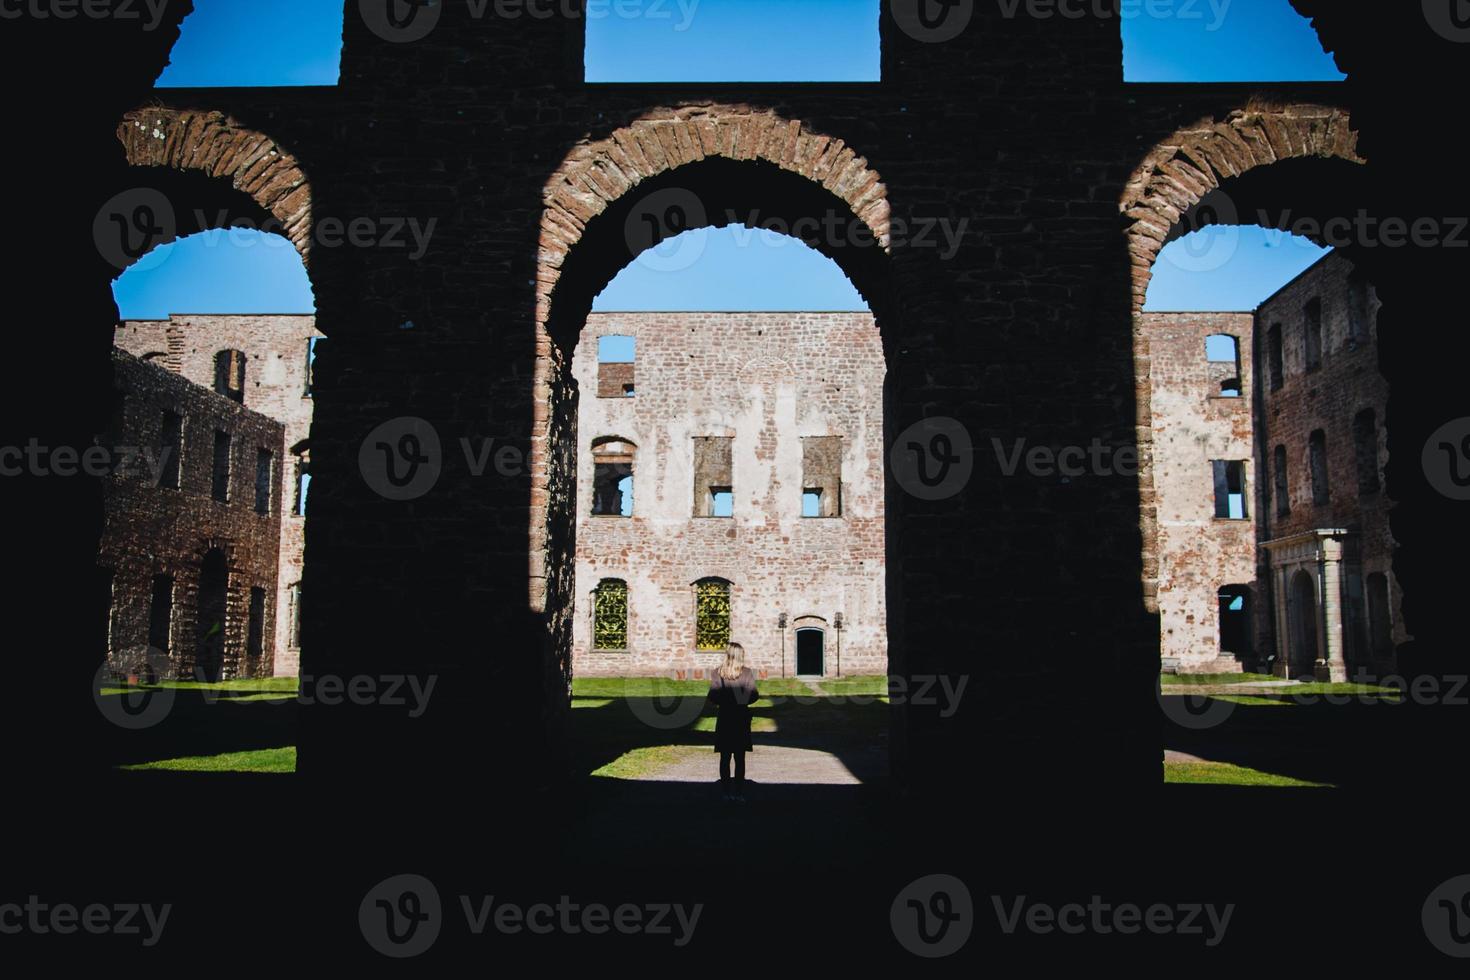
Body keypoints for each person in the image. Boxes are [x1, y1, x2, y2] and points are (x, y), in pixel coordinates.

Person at [707, 641, 759, 803]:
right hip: (740, 718)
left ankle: (725, 792)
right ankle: (738, 793)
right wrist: (741, 701)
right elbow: (754, 695)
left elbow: (712, 696)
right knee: (739, 757)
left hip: (725, 717)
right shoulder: (747, 673)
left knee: (725, 756)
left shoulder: (717, 673)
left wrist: (725, 701)